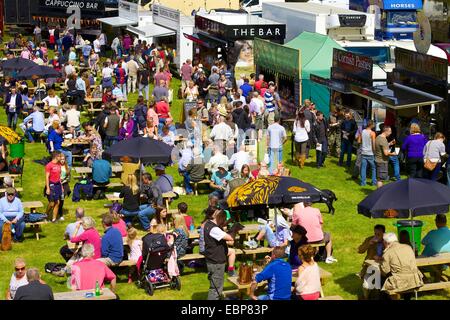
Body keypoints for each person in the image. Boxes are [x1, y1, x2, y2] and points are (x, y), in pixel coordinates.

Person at [380, 233, 424, 299]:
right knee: (405, 275)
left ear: (386, 243)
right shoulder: (408, 247)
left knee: (382, 279)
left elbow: (385, 271)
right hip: (415, 280)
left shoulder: (387, 253)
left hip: (400, 282)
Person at [204, 210, 235, 300]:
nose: (224, 222)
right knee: (216, 288)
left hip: (212, 258)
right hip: (216, 261)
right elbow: (230, 238)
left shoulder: (208, 224)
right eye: (224, 219)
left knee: (215, 285)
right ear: (220, 218)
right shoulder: (214, 229)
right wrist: (235, 228)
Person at [357, 224, 385, 299]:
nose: (376, 236)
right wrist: (368, 244)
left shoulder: (386, 241)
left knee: (379, 285)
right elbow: (359, 250)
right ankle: (365, 297)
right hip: (369, 267)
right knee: (366, 286)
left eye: (379, 234)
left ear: (383, 234)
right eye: (375, 233)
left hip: (383, 268)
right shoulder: (370, 239)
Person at [45, 151, 62, 223]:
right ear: (56, 157)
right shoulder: (49, 165)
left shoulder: (59, 165)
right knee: (52, 203)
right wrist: (48, 188)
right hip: (52, 185)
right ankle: (45, 215)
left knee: (57, 202)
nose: (61, 158)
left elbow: (59, 176)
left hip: (58, 185)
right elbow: (46, 177)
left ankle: (54, 219)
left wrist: (61, 187)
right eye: (60, 156)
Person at [358, 120, 377, 186]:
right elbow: (373, 144)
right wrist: (375, 152)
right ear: (371, 125)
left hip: (363, 152)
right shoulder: (373, 133)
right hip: (370, 153)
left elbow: (359, 141)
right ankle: (374, 182)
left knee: (363, 168)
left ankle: (363, 182)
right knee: (373, 168)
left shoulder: (362, 131)